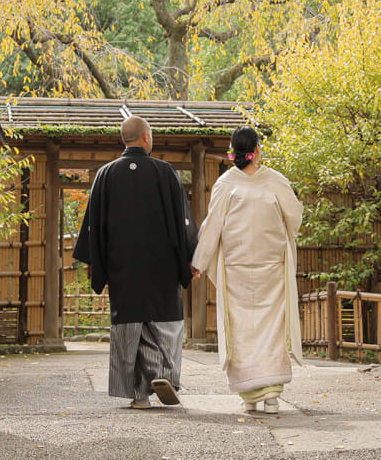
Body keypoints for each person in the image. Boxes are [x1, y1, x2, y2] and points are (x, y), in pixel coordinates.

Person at [73, 115, 198, 409]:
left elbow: (93, 227)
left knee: (130, 328)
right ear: (145, 137)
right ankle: (163, 374)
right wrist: (191, 259)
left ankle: (138, 395)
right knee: (164, 324)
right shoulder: (165, 172)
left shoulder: (105, 175)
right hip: (162, 268)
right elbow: (184, 224)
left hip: (123, 269)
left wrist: (97, 266)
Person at [190, 126, 304, 414]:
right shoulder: (275, 181)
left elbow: (212, 225)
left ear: (233, 151)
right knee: (270, 327)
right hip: (270, 267)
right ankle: (270, 396)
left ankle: (250, 394)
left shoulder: (225, 183)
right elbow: (294, 217)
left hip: (238, 267)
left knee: (242, 328)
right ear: (257, 149)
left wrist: (199, 262)